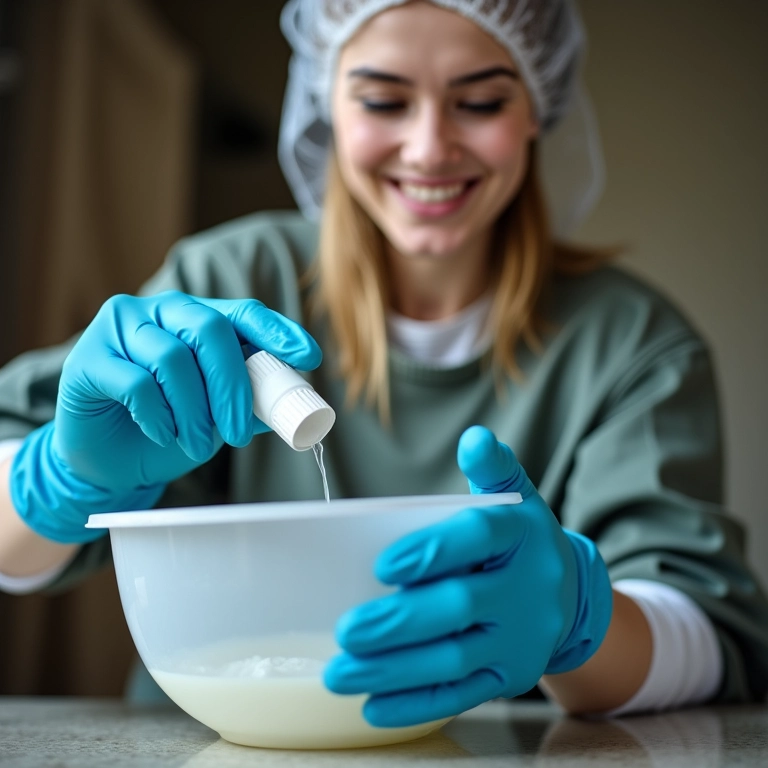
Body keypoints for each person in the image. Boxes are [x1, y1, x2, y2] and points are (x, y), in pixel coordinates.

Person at [0, 0, 767, 727]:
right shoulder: (234, 285)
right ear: (327, 104)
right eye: (383, 100)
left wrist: (576, 618)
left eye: (480, 102)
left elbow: (707, 634)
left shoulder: (631, 344)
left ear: (536, 107)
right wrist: (61, 477)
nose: (430, 147)